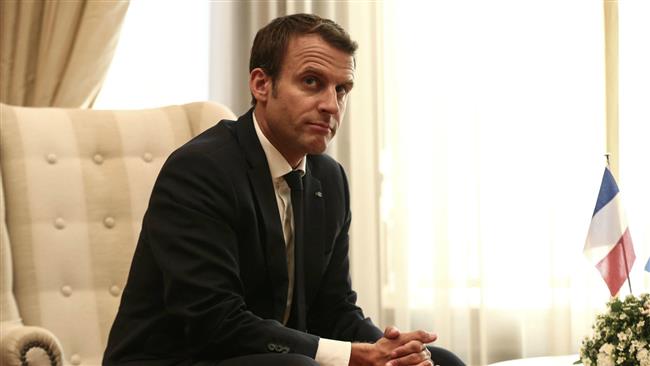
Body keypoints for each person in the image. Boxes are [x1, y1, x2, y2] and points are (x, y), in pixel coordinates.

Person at [103, 13, 465, 366]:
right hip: (182, 357)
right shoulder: (200, 170)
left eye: (342, 89)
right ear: (261, 85)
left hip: (270, 358)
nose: (331, 105)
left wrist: (392, 350)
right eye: (312, 82)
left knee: (440, 361)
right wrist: (356, 356)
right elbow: (215, 323)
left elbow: (334, 308)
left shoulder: (330, 179)